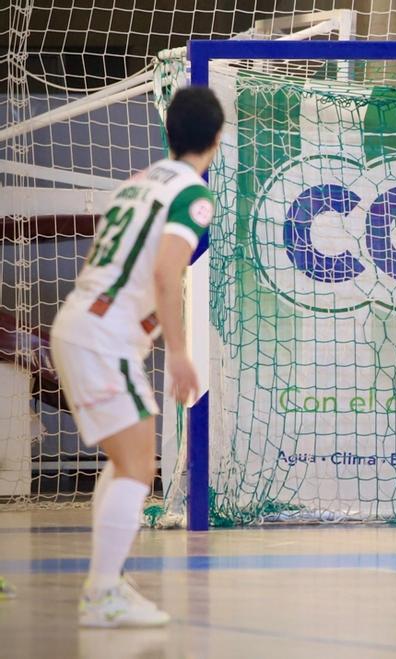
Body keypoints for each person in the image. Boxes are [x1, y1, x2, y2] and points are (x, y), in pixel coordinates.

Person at [49, 86, 223, 625]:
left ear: (168, 132)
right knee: (138, 467)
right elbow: (166, 271)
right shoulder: (192, 193)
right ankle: (102, 594)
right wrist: (179, 353)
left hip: (80, 322)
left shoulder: (136, 183)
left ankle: (108, 583)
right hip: (103, 338)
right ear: (216, 140)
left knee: (127, 463)